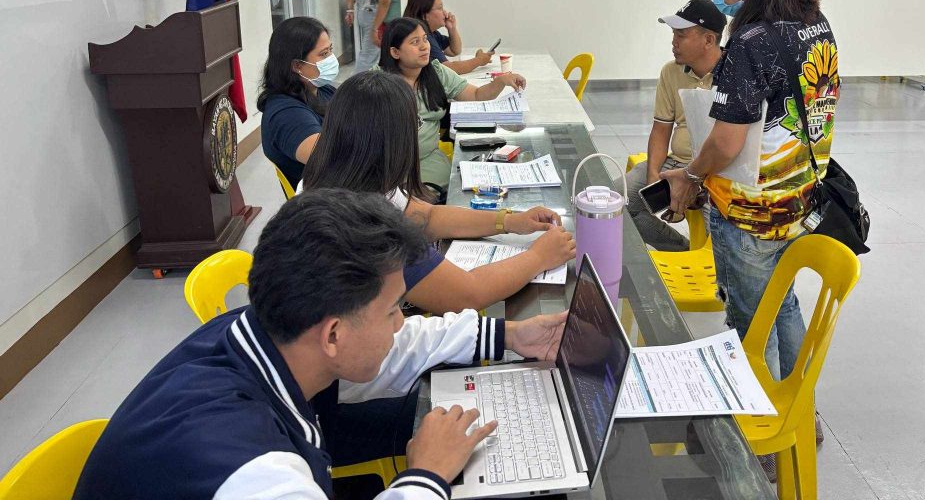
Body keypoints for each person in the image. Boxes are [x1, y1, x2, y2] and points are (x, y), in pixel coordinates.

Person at [73, 188, 568, 500]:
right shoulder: (250, 469)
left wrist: (508, 334)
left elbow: (391, 344)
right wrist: (428, 476)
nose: (402, 322)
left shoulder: (263, 332)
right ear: (333, 333)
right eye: (395, 307)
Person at [661, 0, 840, 389]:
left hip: (750, 209)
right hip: (799, 197)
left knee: (750, 322)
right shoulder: (814, 26)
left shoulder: (750, 42)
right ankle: (800, 408)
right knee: (782, 303)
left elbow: (726, 141)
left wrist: (690, 176)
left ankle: (758, 446)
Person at [302, 70, 575, 316]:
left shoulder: (340, 175)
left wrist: (510, 220)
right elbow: (467, 294)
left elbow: (427, 216)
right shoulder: (365, 225)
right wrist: (538, 257)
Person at [378, 18, 526, 190]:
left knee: (455, 189)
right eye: (415, 42)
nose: (424, 46)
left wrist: (501, 81)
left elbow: (476, 95)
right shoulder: (376, 84)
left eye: (425, 39)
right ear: (395, 52)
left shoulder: (436, 72)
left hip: (428, 160)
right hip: (389, 167)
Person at [625, 0, 725, 251]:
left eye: (681, 35)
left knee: (724, 241)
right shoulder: (671, 72)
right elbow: (660, 131)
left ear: (709, 40)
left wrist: (695, 180)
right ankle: (681, 249)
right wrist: (652, 180)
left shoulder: (734, 75)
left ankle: (713, 267)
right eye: (673, 34)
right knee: (618, 203)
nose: (673, 42)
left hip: (717, 173)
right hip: (677, 162)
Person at [257, 16, 337, 190]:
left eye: (330, 50)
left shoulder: (322, 90)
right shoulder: (286, 114)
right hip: (323, 205)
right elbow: (332, 158)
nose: (332, 58)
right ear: (297, 66)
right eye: (324, 54)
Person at [404, 0, 493, 75]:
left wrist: (452, 29)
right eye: (440, 8)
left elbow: (454, 51)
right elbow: (449, 69)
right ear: (424, 15)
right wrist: (479, 60)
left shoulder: (433, 33)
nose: (445, 13)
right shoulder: (422, 36)